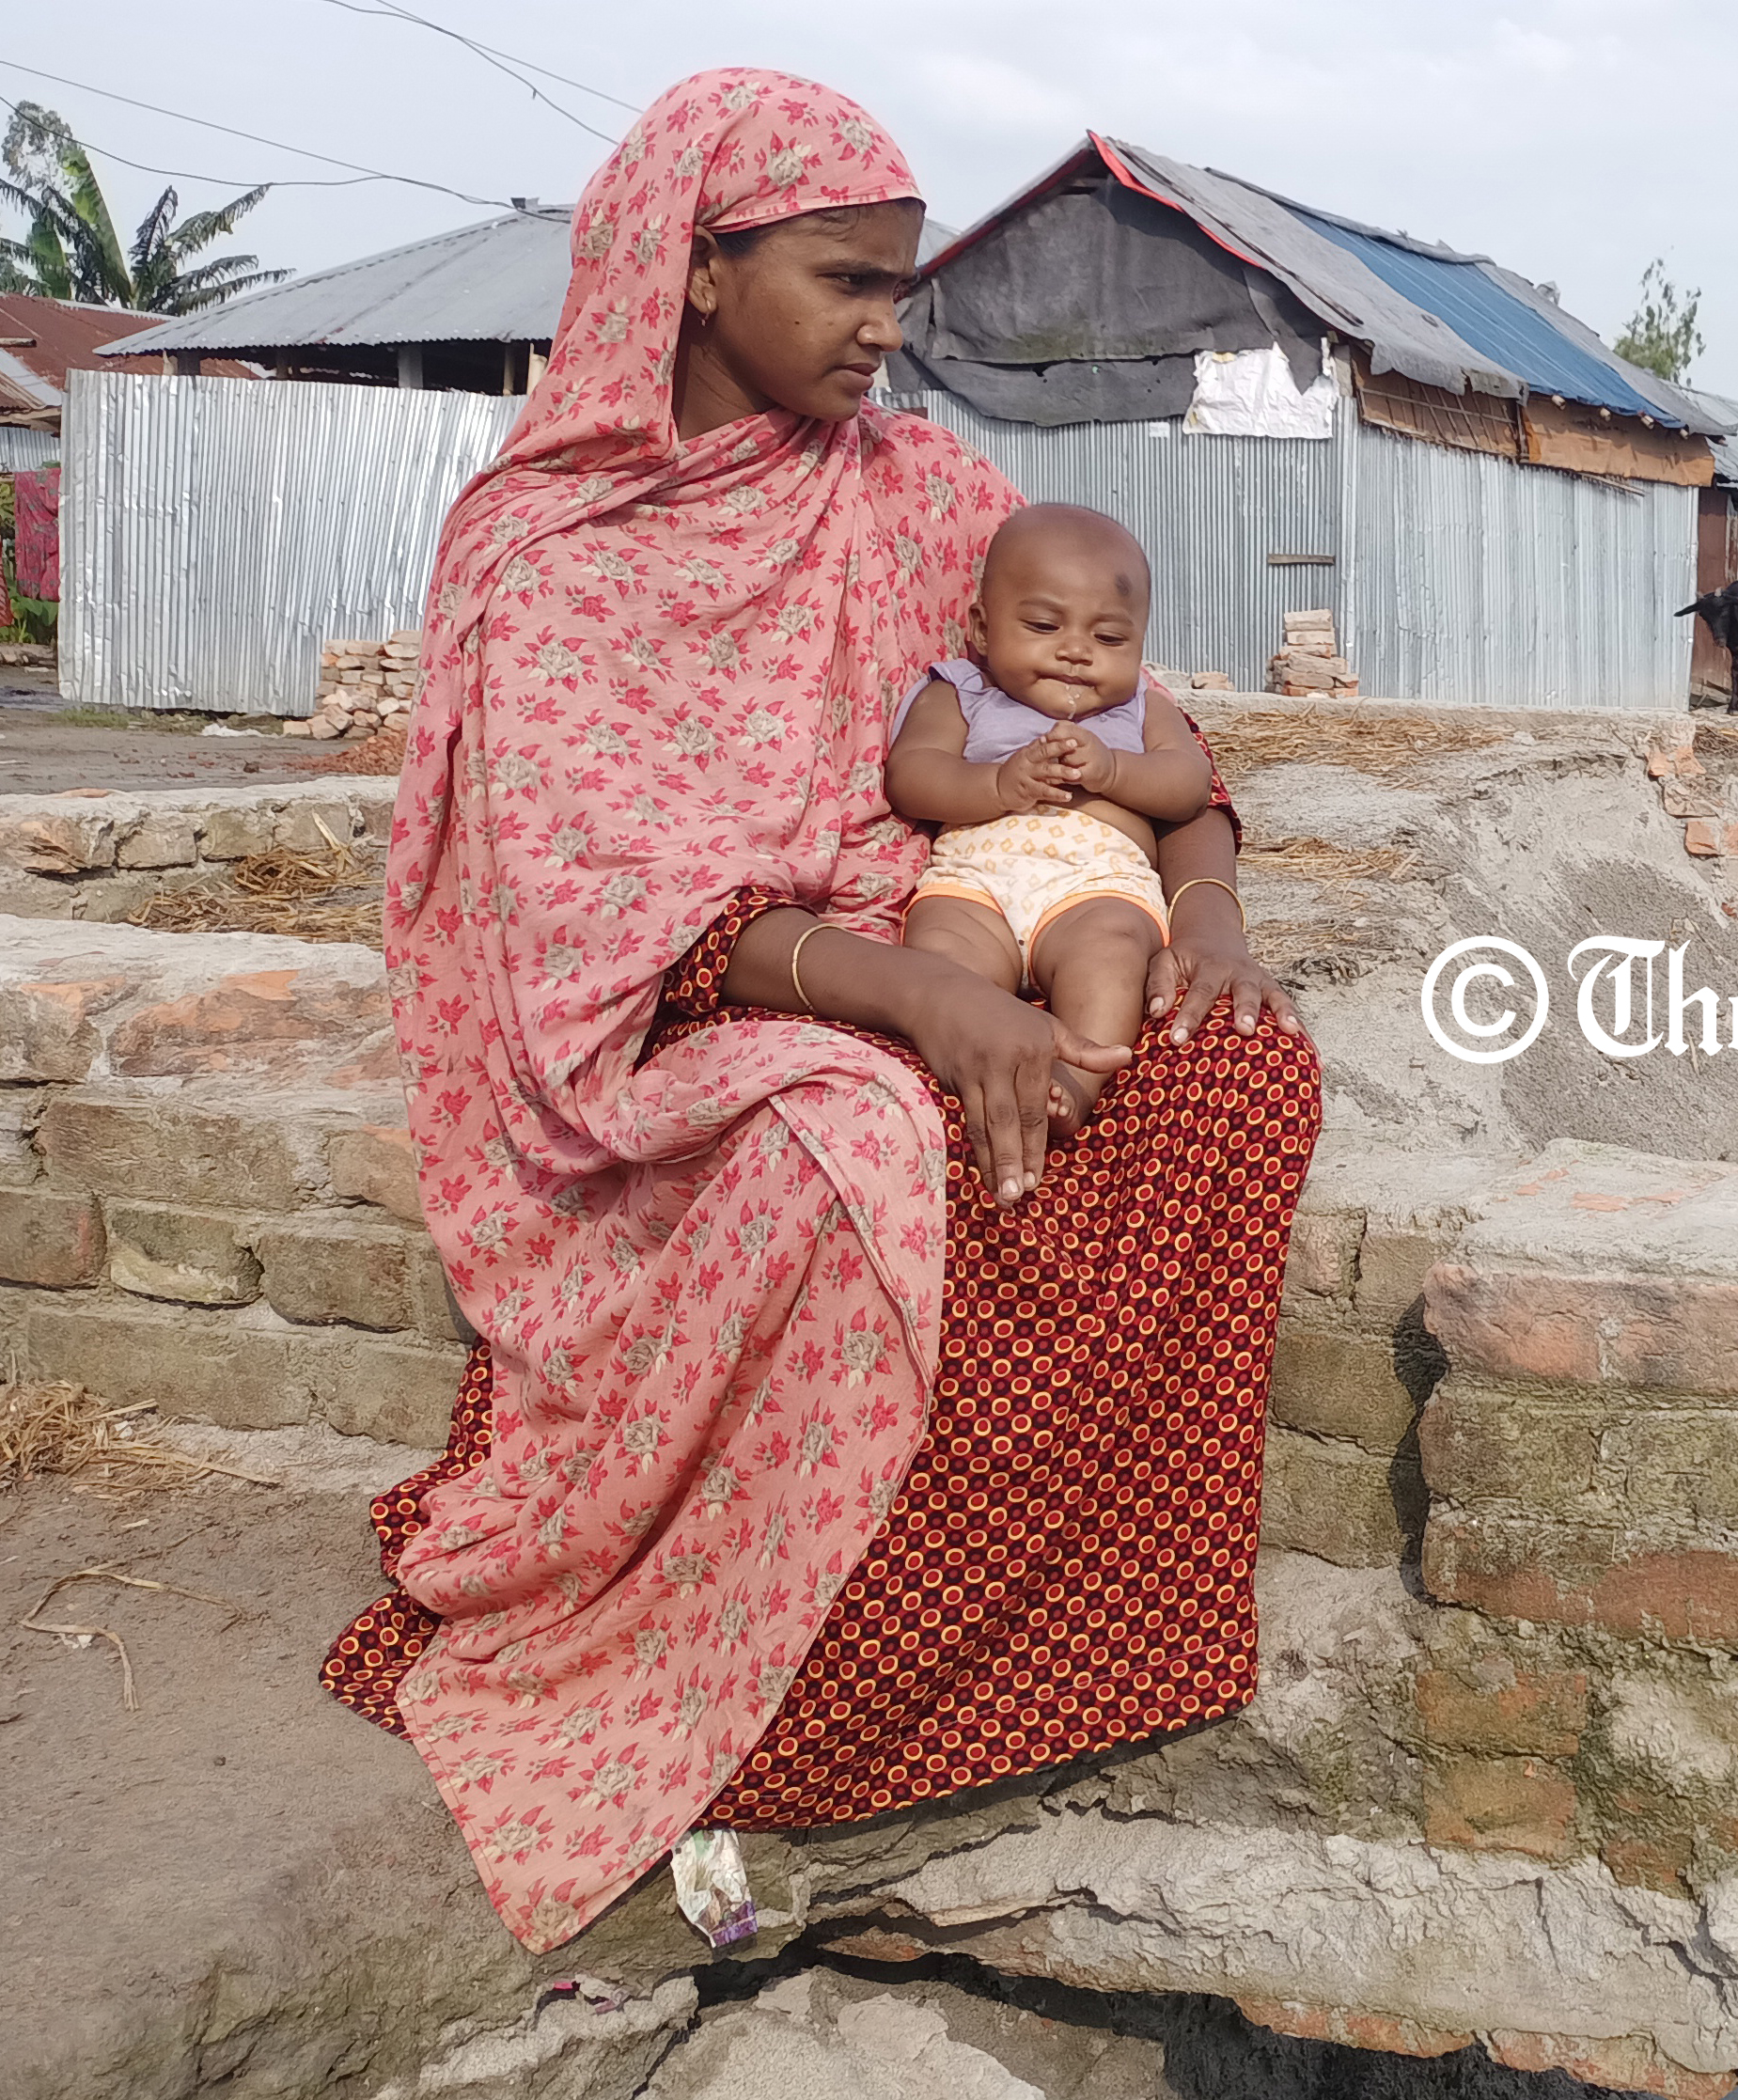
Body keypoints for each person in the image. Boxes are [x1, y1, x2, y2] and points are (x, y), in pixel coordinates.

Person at [316, 69, 1322, 1955]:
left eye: (900, 288)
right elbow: (600, 927)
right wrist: (924, 1007)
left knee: (1233, 1074)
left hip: (963, 940)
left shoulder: (932, 497)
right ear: (692, 272)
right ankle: (792, 1705)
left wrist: (1205, 904)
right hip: (690, 1021)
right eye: (847, 283)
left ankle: (1055, 1642)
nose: (887, 329)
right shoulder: (548, 552)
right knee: (846, 1144)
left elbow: (1114, 723)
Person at [887, 504, 1215, 1129]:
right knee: (942, 951)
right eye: (1042, 625)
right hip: (975, 879)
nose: (1075, 652)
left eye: (1110, 638)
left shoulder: (1142, 709)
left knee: (1112, 953)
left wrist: (1114, 771)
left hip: (1096, 884)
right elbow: (913, 775)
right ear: (983, 630)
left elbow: (1189, 785)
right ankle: (974, 1066)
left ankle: (1073, 1081)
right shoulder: (960, 691)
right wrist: (996, 784)